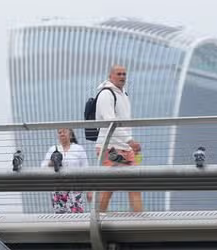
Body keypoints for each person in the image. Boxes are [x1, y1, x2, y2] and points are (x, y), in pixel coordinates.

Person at [94, 65, 143, 212]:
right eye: (119, 74)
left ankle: (141, 223)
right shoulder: (106, 94)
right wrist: (130, 141)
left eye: (124, 74)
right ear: (110, 76)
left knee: (135, 186)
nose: (122, 77)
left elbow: (123, 123)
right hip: (110, 148)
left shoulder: (123, 94)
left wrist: (130, 143)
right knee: (109, 187)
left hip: (126, 148)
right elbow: (111, 121)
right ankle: (98, 218)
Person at [41, 128, 89, 213]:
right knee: (60, 215)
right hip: (58, 189)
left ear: (70, 135)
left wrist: (89, 190)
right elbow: (43, 167)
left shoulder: (78, 149)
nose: (62, 134)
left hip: (75, 188)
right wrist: (51, 163)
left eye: (64, 132)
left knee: (77, 214)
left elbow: (86, 168)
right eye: (59, 132)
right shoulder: (53, 149)